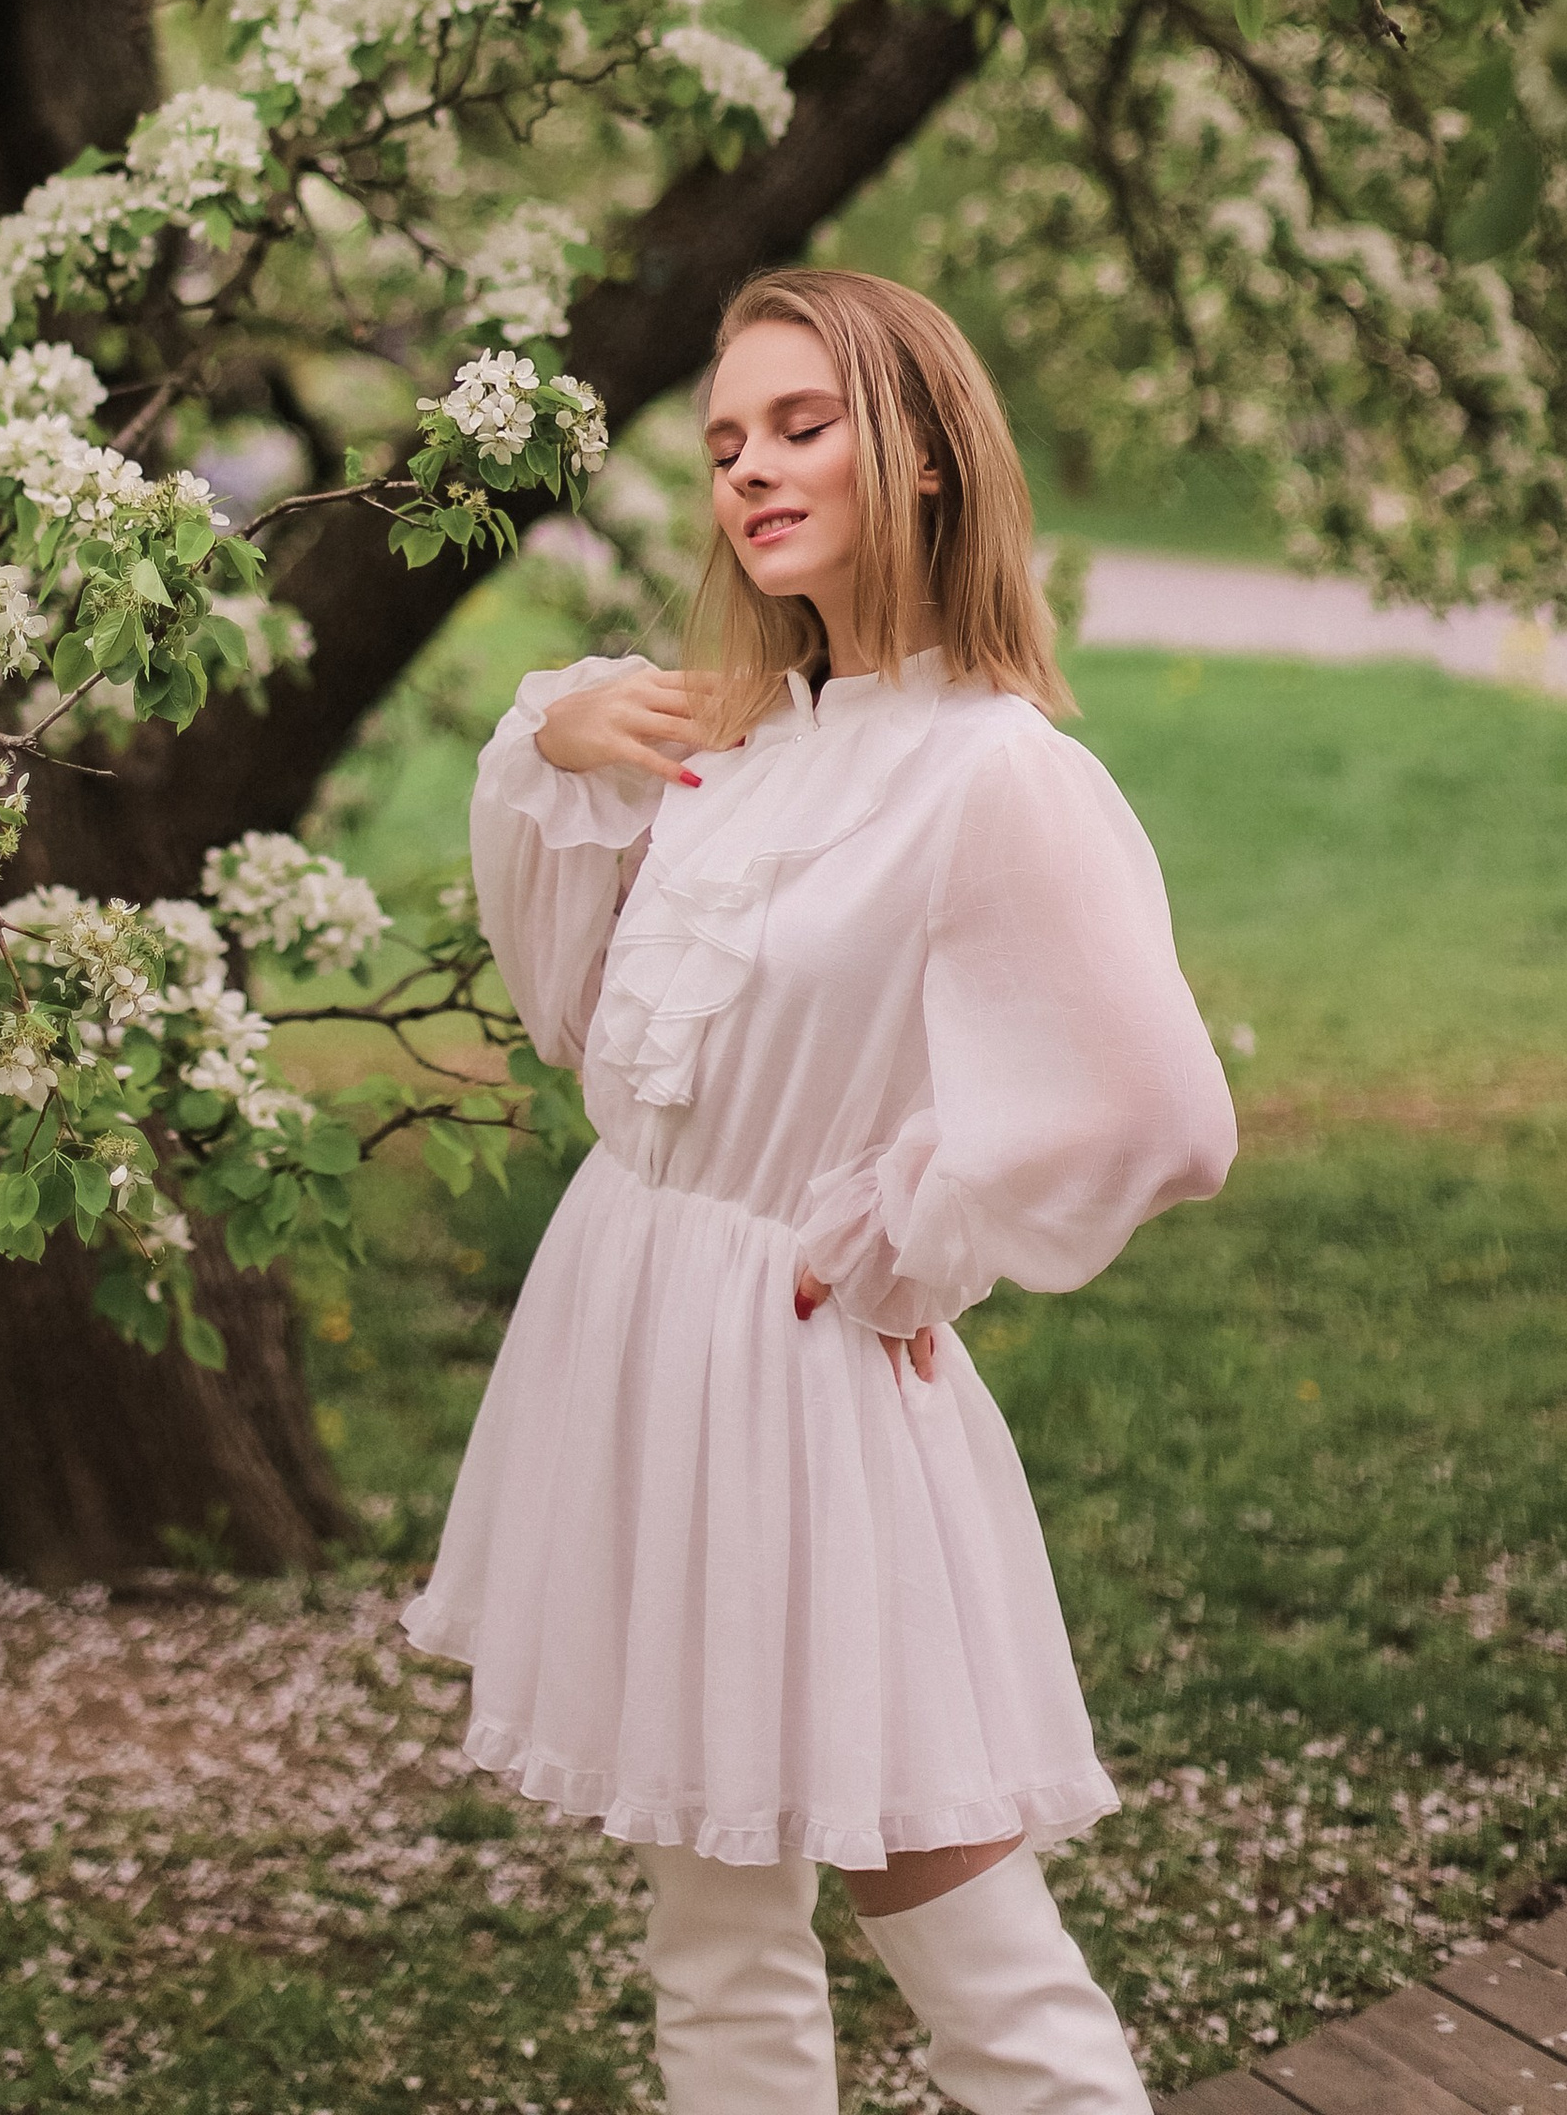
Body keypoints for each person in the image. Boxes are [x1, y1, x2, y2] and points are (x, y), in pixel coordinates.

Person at [400, 265, 1237, 2115]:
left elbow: (1165, 1112)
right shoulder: (744, 740)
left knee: (947, 1914)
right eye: (723, 445)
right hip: (639, 1339)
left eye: (802, 426)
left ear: (925, 455)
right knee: (711, 1933)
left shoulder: (992, 774)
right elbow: (575, 1020)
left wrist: (913, 1235)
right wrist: (547, 742)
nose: (752, 475)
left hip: (796, 1377)